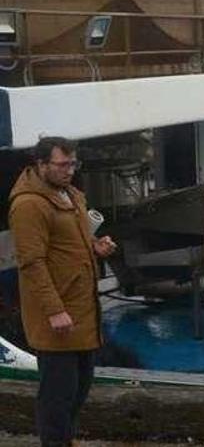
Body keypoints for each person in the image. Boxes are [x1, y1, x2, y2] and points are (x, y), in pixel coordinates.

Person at [9, 137, 116, 447]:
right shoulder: (29, 205)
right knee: (57, 392)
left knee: (81, 385)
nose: (70, 171)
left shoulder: (71, 195)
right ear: (41, 165)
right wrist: (54, 310)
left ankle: (65, 439)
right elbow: (32, 263)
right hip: (57, 313)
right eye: (62, 165)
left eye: (73, 164)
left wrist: (95, 247)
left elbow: (66, 245)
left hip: (82, 309)